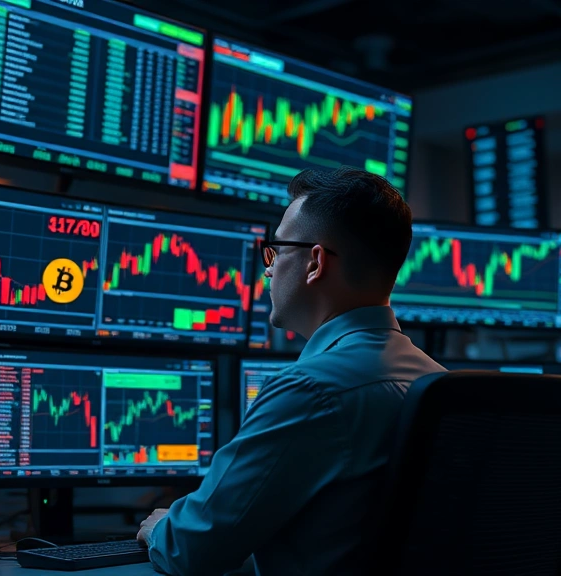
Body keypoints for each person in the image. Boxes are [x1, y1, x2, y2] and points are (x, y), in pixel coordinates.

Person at [136, 167, 445, 575]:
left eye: (276, 250)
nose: (268, 269)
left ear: (315, 263)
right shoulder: (438, 384)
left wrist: (162, 529)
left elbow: (191, 550)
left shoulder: (310, 391)